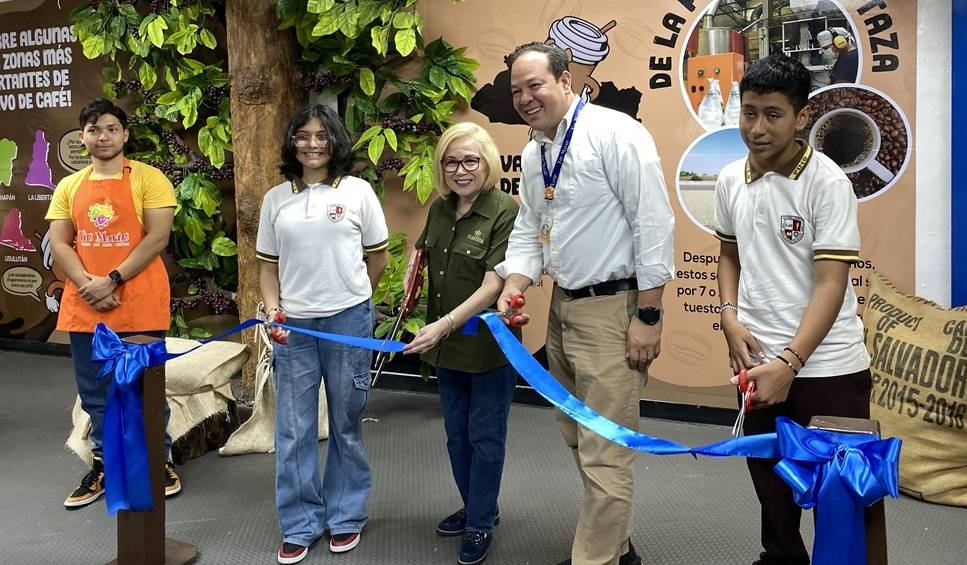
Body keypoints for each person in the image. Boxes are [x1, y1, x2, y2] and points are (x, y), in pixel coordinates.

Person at [494, 42, 675, 565]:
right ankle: (617, 547)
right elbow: (530, 228)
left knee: (607, 450)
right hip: (563, 309)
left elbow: (654, 225)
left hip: (614, 312)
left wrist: (647, 316)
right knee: (577, 434)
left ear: (566, 80)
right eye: (517, 91)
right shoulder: (535, 152)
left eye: (535, 85)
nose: (526, 98)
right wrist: (515, 284)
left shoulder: (616, 134)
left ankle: (594, 560)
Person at [714, 54, 872, 565]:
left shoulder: (827, 183)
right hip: (758, 360)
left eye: (772, 114)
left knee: (839, 498)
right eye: (748, 112)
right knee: (771, 489)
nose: (756, 128)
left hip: (827, 366)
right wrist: (729, 315)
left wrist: (790, 364)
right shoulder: (729, 179)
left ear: (802, 116)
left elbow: (831, 284)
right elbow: (729, 254)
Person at [257, 104, 388, 565]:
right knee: (294, 429)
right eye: (303, 136)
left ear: (335, 142)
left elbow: (378, 258)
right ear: (292, 142)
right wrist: (274, 310)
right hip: (293, 326)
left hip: (347, 323)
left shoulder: (358, 192)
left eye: (321, 136)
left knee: (346, 423)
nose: (312, 144)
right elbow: (267, 266)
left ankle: (346, 516)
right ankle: (300, 523)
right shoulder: (276, 198)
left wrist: (354, 303)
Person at [46, 98, 181, 509]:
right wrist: (90, 284)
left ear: (124, 134)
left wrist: (114, 278)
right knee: (95, 393)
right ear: (82, 137)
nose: (101, 136)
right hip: (86, 302)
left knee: (145, 386)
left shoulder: (149, 178)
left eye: (110, 128)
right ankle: (105, 465)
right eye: (93, 129)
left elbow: (156, 237)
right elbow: (59, 242)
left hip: (138, 299)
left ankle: (159, 459)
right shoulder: (69, 186)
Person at [402, 122, 521, 565]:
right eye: (451, 161)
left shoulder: (504, 209)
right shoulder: (439, 208)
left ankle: (480, 522)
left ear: (487, 163)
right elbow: (422, 262)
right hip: (446, 346)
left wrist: (444, 325)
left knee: (485, 436)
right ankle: (475, 505)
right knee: (457, 436)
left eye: (470, 160)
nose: (461, 169)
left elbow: (494, 283)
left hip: (486, 343)